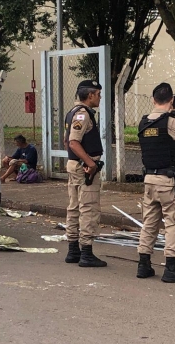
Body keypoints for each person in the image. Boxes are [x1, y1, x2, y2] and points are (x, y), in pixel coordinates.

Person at [136, 83, 175, 283]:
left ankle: (143, 264)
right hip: (168, 181)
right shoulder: (172, 123)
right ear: (171, 101)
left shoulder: (143, 123)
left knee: (149, 223)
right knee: (174, 223)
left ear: (153, 100)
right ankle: (171, 268)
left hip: (149, 180)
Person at [63, 80, 107, 268]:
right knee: (88, 208)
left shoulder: (72, 113)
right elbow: (73, 142)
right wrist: (90, 163)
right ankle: (86, 252)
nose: (99, 97)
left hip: (75, 165)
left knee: (74, 207)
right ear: (90, 95)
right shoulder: (83, 115)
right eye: (98, 94)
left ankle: (73, 250)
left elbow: (67, 142)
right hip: (85, 169)